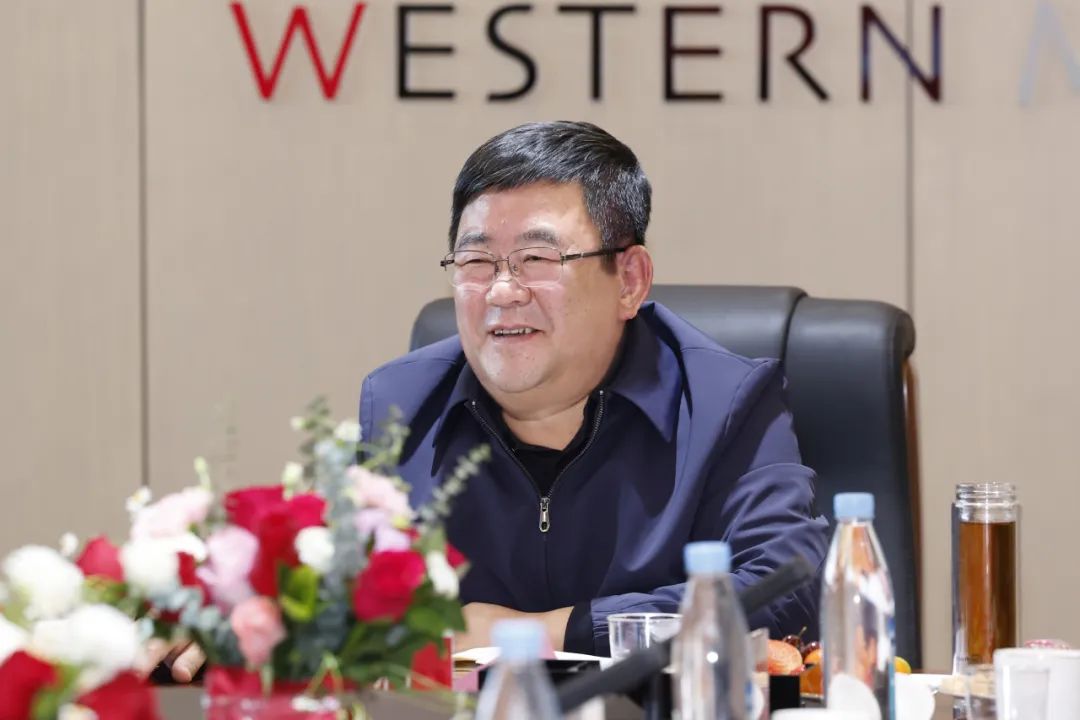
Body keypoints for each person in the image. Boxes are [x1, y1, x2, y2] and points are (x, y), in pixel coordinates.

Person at [358, 120, 830, 656]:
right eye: (477, 262)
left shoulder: (724, 403)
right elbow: (358, 620)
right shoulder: (400, 404)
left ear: (629, 281)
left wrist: (546, 634)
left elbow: (789, 589)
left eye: (538, 259)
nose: (503, 291)